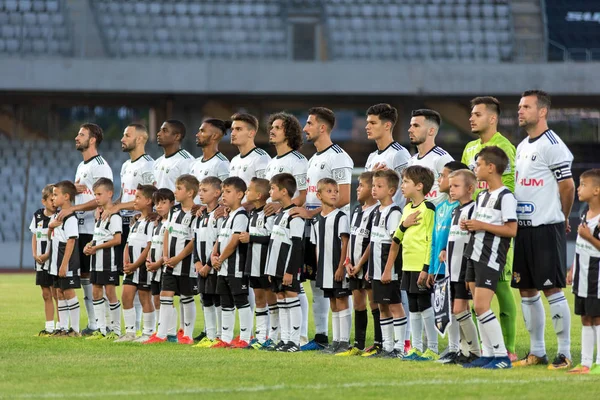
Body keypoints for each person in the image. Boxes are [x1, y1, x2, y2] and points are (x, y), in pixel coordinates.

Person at [512, 90, 575, 370]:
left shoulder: (553, 145)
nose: (520, 111)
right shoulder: (522, 145)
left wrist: (563, 216)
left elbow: (568, 186)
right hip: (523, 229)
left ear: (542, 112)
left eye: (526, 107)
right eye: (519, 107)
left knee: (553, 289)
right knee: (526, 290)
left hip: (546, 228)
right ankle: (537, 351)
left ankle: (564, 353)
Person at [462, 96, 518, 361]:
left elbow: (508, 189)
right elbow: (464, 186)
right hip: (473, 231)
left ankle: (509, 347)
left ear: (492, 118)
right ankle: (487, 350)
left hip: (495, 234)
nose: (471, 118)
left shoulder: (505, 148)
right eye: (471, 114)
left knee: (502, 288)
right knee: (475, 294)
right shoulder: (470, 148)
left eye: (477, 114)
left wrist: (484, 220)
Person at [295, 107, 354, 351]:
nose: (305, 128)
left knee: (338, 288)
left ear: (322, 127)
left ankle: (342, 340)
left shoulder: (338, 156)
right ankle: (321, 336)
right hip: (318, 228)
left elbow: (345, 196)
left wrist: (311, 212)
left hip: (335, 230)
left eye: (308, 124)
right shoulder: (314, 158)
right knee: (319, 284)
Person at [54, 123, 113, 336]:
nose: (77, 137)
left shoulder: (100, 166)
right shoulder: (82, 166)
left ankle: (104, 325)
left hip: (93, 228)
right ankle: (93, 323)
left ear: (93, 139)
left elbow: (103, 199)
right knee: (85, 276)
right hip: (80, 228)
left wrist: (76, 207)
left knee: (96, 278)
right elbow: (82, 193)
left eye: (81, 134)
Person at [364, 103, 412, 354]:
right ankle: (385, 342)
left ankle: (404, 341)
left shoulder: (399, 155)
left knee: (395, 289)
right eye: (367, 122)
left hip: (395, 227)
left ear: (387, 125)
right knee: (379, 293)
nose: (367, 127)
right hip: (377, 226)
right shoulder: (372, 157)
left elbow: (404, 192)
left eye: (372, 123)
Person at [262, 112, 309, 343]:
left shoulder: (298, 161)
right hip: (274, 229)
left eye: (278, 127)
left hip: (291, 226)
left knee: (295, 285)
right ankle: (282, 333)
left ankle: (300, 334)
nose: (272, 130)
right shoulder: (272, 162)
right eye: (272, 126)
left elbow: (301, 196)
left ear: (289, 132)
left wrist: (282, 210)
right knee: (277, 284)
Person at [109, 123, 155, 334]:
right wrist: (112, 206)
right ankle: (132, 329)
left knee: (140, 278)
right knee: (128, 273)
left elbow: (149, 198)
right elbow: (125, 195)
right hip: (126, 223)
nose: (122, 138)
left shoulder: (148, 165)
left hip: (140, 225)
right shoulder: (126, 165)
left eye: (127, 135)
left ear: (139, 139)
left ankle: (143, 328)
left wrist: (119, 206)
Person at [388, 166, 437, 361]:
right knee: (413, 307)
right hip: (407, 266)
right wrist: (403, 224)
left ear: (419, 186)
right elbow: (397, 238)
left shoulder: (429, 209)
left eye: (406, 182)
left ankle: (432, 348)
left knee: (425, 305)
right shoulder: (407, 209)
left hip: (420, 267)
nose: (402, 185)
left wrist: (426, 268)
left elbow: (430, 242)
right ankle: (416, 348)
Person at [144, 175, 198, 345]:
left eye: (179, 188)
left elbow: (193, 240)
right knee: (165, 295)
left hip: (185, 264)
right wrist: (166, 256)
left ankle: (187, 335)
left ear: (190, 192)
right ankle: (161, 335)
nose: (175, 191)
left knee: (186, 297)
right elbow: (167, 232)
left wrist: (178, 258)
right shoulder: (174, 212)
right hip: (170, 264)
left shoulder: (196, 214)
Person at [429, 161, 470, 364]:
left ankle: (464, 348)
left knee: (459, 307)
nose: (440, 180)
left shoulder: (461, 207)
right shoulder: (442, 207)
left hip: (459, 266)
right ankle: (454, 348)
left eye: (443, 176)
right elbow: (436, 241)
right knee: (448, 308)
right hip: (443, 267)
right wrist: (431, 266)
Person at [364, 170, 404, 357]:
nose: (374, 189)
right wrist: (370, 269)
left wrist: (388, 270)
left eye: (379, 186)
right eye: (373, 185)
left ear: (391, 190)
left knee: (395, 306)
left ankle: (399, 347)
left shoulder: (394, 212)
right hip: (376, 270)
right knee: (382, 306)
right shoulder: (376, 212)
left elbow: (395, 244)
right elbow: (374, 242)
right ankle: (387, 346)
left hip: (389, 270)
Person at [337, 171, 378, 356]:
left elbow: (371, 242)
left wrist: (361, 264)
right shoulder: (356, 211)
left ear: (372, 188)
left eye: (361, 185)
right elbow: (351, 238)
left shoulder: (377, 211)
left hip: (367, 265)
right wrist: (347, 261)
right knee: (358, 303)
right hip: (352, 266)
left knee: (374, 303)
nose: (358, 188)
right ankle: (358, 345)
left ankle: (379, 343)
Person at [265, 173, 305, 352]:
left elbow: (297, 245)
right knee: (281, 298)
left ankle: (294, 342)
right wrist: (270, 268)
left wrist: (290, 271)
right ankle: (285, 339)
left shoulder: (295, 215)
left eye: (272, 188)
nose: (270, 191)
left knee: (291, 297)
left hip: (288, 267)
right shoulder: (280, 214)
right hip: (276, 267)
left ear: (283, 191)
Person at [445, 169, 481, 365]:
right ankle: (464, 351)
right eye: (450, 186)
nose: (451, 189)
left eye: (456, 186)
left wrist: (470, 271)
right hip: (452, 269)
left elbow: (472, 240)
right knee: (455, 310)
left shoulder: (473, 209)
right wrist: (444, 252)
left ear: (470, 188)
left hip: (464, 270)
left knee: (460, 309)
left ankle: (474, 350)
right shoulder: (455, 210)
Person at [211, 177, 252, 348]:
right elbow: (220, 239)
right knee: (225, 302)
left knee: (241, 301)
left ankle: (245, 337)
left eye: (228, 192)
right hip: (223, 268)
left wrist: (219, 259)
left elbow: (234, 241)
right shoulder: (228, 216)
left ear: (240, 194)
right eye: (223, 191)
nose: (224, 195)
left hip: (235, 268)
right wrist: (213, 255)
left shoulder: (241, 215)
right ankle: (226, 338)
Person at [311, 178, 351, 354]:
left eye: (336, 191)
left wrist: (341, 266)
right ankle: (335, 341)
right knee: (333, 303)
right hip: (325, 270)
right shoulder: (316, 220)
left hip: (337, 268)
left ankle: (344, 341)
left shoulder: (341, 217)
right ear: (319, 195)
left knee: (342, 301)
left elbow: (345, 243)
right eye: (329, 191)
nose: (334, 194)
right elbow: (317, 247)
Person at [567, 169, 600, 374]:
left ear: (596, 190)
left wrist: (589, 237)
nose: (579, 188)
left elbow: (588, 240)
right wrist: (572, 268)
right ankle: (586, 363)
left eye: (583, 185)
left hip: (597, 278)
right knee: (585, 317)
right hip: (582, 273)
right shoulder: (583, 213)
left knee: (597, 318)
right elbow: (580, 243)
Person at [116, 184, 157, 343]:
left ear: (148, 201)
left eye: (138, 197)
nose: (135, 200)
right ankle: (130, 332)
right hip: (130, 266)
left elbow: (148, 246)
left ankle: (148, 332)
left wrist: (136, 264)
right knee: (126, 296)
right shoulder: (137, 220)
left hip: (141, 266)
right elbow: (128, 243)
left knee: (144, 297)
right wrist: (126, 261)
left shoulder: (151, 222)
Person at [83, 178, 123, 341]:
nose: (96, 198)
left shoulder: (114, 216)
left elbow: (117, 239)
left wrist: (97, 248)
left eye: (99, 194)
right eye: (95, 194)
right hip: (96, 262)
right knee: (96, 292)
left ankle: (116, 330)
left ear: (110, 193)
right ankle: (101, 329)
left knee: (110, 293)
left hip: (108, 262)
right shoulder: (100, 216)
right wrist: (89, 245)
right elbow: (98, 237)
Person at [240, 178, 276, 349]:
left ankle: (275, 336)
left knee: (271, 298)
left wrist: (251, 238)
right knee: (259, 298)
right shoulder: (252, 213)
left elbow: (272, 237)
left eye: (249, 190)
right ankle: (261, 336)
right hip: (252, 263)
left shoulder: (269, 213)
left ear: (259, 195)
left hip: (265, 263)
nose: (246, 192)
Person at [192, 177, 225, 348]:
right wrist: (197, 262)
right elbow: (196, 239)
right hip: (201, 266)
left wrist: (208, 265)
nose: (200, 193)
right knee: (206, 299)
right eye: (200, 190)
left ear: (217, 193)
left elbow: (219, 241)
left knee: (217, 298)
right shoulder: (200, 214)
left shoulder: (221, 215)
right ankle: (210, 335)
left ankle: (219, 335)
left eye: (204, 190)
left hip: (214, 266)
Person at [48, 181, 82, 337]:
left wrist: (64, 265)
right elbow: (51, 237)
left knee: (68, 292)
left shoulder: (70, 218)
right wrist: (51, 227)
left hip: (66, 262)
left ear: (66, 196)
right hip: (55, 262)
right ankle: (62, 328)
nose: (53, 198)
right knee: (59, 293)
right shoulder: (56, 216)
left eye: (55, 194)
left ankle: (75, 329)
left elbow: (71, 241)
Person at [406, 109, 454, 205]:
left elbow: (455, 190)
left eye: (416, 126)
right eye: (411, 125)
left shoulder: (441, 158)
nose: (410, 130)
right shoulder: (411, 160)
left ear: (431, 131)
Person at [145, 188, 175, 338]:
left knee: (166, 299)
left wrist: (159, 263)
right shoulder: (156, 223)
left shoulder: (171, 222)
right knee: (156, 298)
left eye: (163, 203)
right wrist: (148, 261)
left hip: (163, 266)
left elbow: (168, 246)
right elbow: (152, 245)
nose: (159, 206)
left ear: (172, 203)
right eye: (157, 203)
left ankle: (171, 331)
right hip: (154, 268)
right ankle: (160, 329)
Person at [30, 184, 58, 336]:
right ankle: (49, 327)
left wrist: (47, 254)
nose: (54, 203)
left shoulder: (59, 216)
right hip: (40, 261)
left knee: (56, 294)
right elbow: (35, 235)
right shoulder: (38, 215)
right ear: (44, 202)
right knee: (45, 293)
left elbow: (56, 240)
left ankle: (60, 327)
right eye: (51, 200)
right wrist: (35, 254)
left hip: (52, 260)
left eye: (55, 199)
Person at [228, 113, 271, 193]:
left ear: (251, 133)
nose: (233, 133)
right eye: (232, 129)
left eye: (238, 129)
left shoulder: (261, 158)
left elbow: (265, 192)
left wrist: (245, 205)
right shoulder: (234, 160)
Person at [190, 119, 231, 202]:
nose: (197, 135)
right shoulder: (195, 163)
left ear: (214, 136)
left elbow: (227, 194)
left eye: (202, 131)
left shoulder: (222, 163)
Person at [153, 120, 194, 192]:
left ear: (177, 136)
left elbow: (190, 193)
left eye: (164, 131)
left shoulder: (186, 161)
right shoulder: (157, 162)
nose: (159, 134)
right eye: (160, 130)